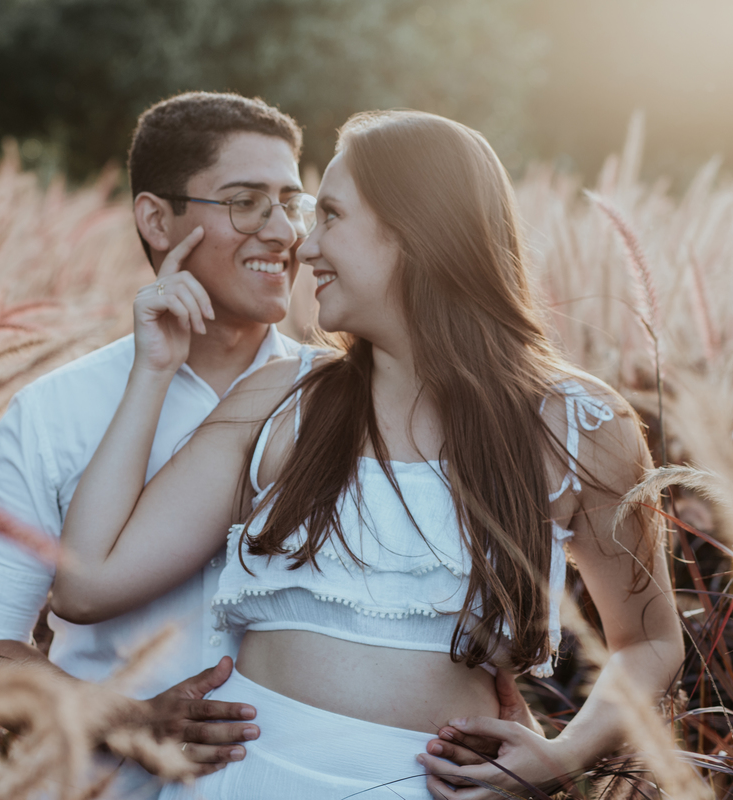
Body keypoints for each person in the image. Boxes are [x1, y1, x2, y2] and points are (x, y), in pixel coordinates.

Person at [50, 109, 685, 799]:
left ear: (414, 230)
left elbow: (649, 642)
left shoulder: (577, 420)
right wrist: (152, 369)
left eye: (329, 216)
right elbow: (85, 586)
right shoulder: (279, 399)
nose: (303, 245)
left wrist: (566, 755)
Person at [0, 94, 535, 798]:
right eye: (247, 202)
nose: (284, 232)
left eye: (296, 202)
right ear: (157, 220)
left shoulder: (362, 397)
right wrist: (122, 718)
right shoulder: (53, 412)